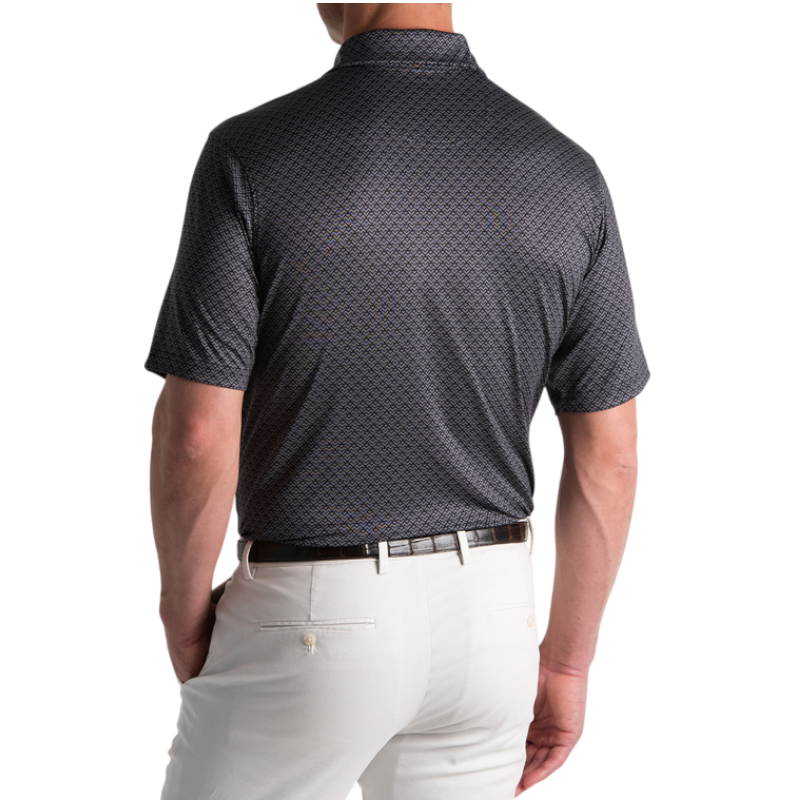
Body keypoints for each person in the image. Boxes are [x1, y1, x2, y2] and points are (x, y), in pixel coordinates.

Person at [147, 3, 649, 799]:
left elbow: (198, 435)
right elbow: (610, 456)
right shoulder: (566, 171)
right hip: (492, 625)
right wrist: (565, 664)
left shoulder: (253, 154)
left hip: (313, 614)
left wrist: (182, 612)